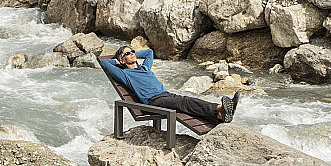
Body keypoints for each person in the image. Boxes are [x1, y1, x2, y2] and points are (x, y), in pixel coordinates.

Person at [100, 45, 239, 123]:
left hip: (165, 95)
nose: (132, 54)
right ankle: (221, 107)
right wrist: (118, 62)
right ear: (122, 60)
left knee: (185, 102)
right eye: (127, 54)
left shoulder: (144, 68)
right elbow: (104, 62)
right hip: (153, 101)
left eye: (133, 52)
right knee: (184, 101)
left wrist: (132, 55)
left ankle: (219, 116)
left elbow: (149, 52)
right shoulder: (125, 75)